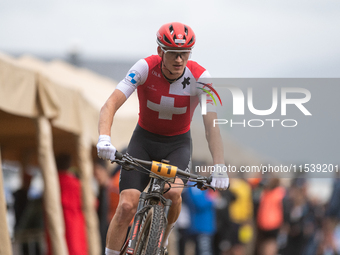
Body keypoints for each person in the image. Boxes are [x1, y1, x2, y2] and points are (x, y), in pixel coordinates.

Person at [96, 22, 229, 255]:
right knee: (127, 205)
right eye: (174, 54)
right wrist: (104, 138)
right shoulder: (144, 67)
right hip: (143, 141)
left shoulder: (202, 78)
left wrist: (219, 166)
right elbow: (110, 104)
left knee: (174, 193)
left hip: (177, 145)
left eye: (184, 54)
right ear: (160, 52)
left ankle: (164, 235)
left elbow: (211, 126)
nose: (179, 60)